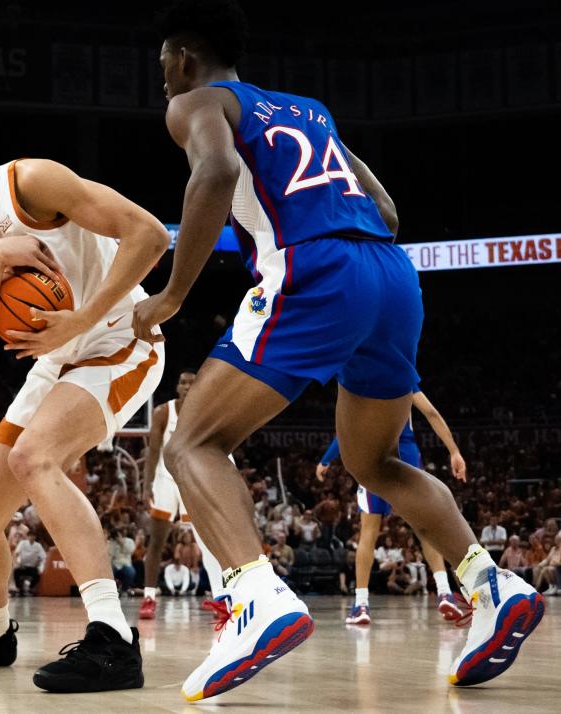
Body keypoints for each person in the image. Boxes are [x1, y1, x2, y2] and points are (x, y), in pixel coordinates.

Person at [131, 0, 544, 699]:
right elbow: (385, 210)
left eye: (163, 64)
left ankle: (254, 596)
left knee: (191, 441)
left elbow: (213, 175)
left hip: (315, 271)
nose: (161, 78)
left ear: (182, 57)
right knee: (371, 460)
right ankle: (491, 584)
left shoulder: (197, 101)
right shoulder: (307, 108)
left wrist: (170, 296)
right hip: (389, 273)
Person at [0, 120, 168, 692]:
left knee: (34, 457)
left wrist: (82, 317)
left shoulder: (31, 184)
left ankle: (115, 639)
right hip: (57, 359)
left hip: (120, 337)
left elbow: (149, 235)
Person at [317, 389, 469, 625]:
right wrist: (454, 450)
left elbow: (348, 431)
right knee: (424, 528)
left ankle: (361, 604)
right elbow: (431, 412)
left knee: (368, 533)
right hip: (408, 455)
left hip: (374, 455)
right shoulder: (405, 376)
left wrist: (327, 458)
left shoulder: (364, 382)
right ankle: (444, 592)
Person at [139, 370, 224, 620]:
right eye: (183, 382)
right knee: (157, 542)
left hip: (190, 481)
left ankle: (220, 597)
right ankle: (149, 597)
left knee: (205, 542)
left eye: (192, 382)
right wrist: (147, 485)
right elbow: (153, 452)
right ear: (177, 386)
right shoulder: (163, 412)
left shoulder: (205, 411)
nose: (187, 386)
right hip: (165, 481)